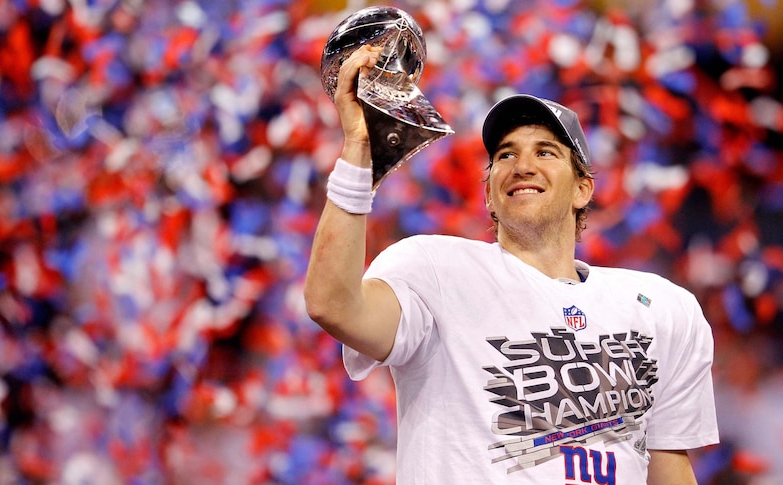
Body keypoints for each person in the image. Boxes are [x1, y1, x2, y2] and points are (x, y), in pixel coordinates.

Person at [305, 44, 719, 484]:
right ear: (489, 196)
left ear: (582, 190)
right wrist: (359, 151)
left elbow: (668, 466)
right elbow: (333, 304)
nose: (522, 165)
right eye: (505, 154)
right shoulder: (436, 270)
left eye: (546, 152)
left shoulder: (664, 308)